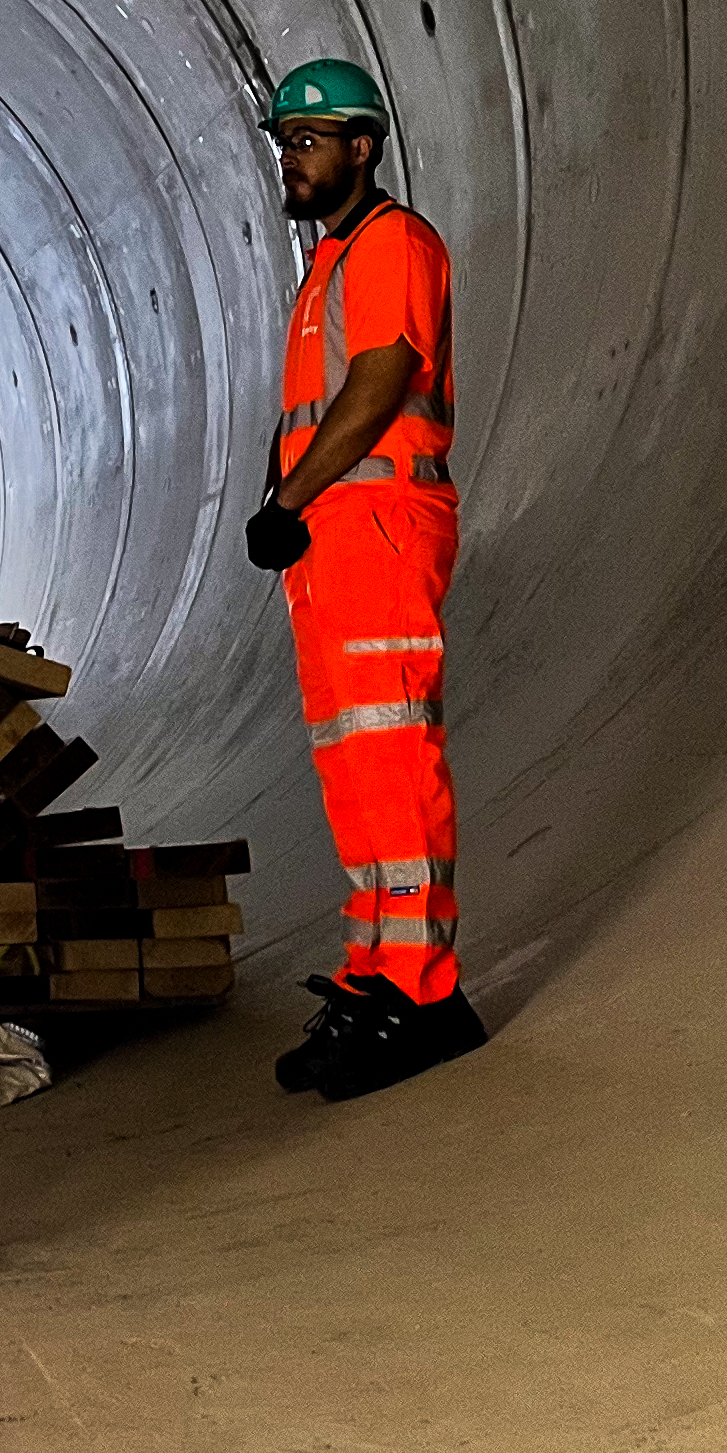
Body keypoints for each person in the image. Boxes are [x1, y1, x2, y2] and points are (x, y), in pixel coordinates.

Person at [240, 59, 490, 1101]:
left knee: (392, 760)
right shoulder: (330, 265)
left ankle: (428, 994)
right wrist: (287, 507)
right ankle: (377, 975)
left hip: (377, 525)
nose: (293, 160)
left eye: (309, 141)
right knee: (353, 770)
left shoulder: (392, 244)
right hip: (331, 539)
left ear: (363, 147)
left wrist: (288, 500)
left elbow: (382, 378)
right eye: (287, 144)